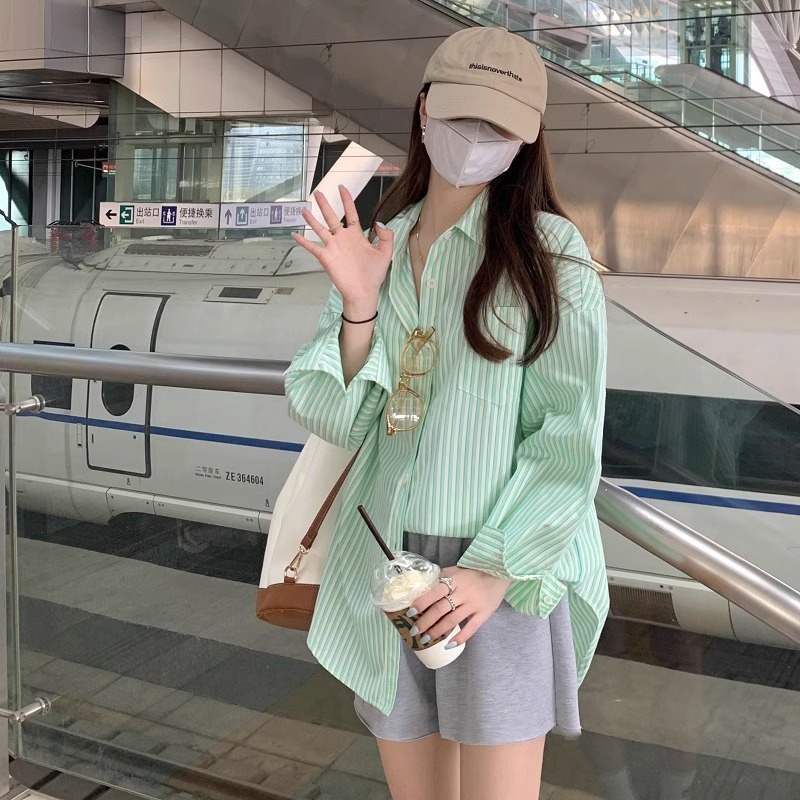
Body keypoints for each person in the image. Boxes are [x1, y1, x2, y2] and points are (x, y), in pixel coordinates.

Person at [285, 25, 609, 800]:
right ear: (425, 108)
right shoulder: (379, 246)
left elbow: (567, 439)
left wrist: (493, 572)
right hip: (389, 562)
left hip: (504, 562)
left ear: (526, 140)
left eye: (500, 126)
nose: (477, 138)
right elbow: (335, 415)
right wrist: (359, 305)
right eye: (464, 115)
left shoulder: (553, 258)